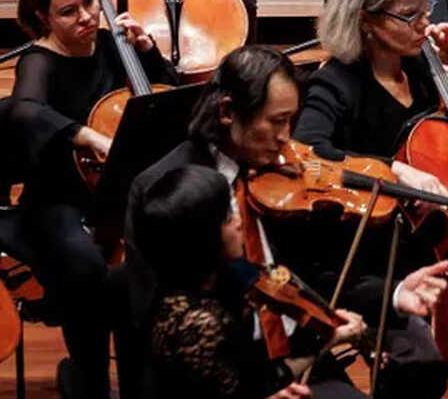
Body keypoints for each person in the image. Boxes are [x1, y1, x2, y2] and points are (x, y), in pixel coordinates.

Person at [120, 46, 448, 399]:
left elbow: (316, 274)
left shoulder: (288, 180)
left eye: (291, 120)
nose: (286, 138)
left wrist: (396, 292)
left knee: (420, 366)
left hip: (298, 342)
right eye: (277, 121)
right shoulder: (166, 190)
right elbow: (151, 325)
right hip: (223, 367)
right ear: (228, 112)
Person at [0, 0, 178, 399]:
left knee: (147, 268)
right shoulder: (39, 62)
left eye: (89, 4)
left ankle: (141, 385)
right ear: (43, 17)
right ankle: (90, 382)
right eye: (68, 11)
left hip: (118, 194)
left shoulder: (113, 45)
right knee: (86, 269)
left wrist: (148, 53)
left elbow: (163, 101)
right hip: (58, 197)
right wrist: (87, 137)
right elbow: (24, 113)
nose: (85, 17)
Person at [137, 164, 371, 398]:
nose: (239, 222)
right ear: (203, 237)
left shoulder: (207, 281)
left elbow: (242, 379)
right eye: (228, 218)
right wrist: (331, 340)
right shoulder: (198, 321)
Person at [292, 0, 448, 188]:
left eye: (426, 9)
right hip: (373, 215)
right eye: (409, 15)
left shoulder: (420, 66)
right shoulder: (336, 82)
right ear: (366, 20)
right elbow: (306, 149)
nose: (424, 24)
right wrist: (392, 168)